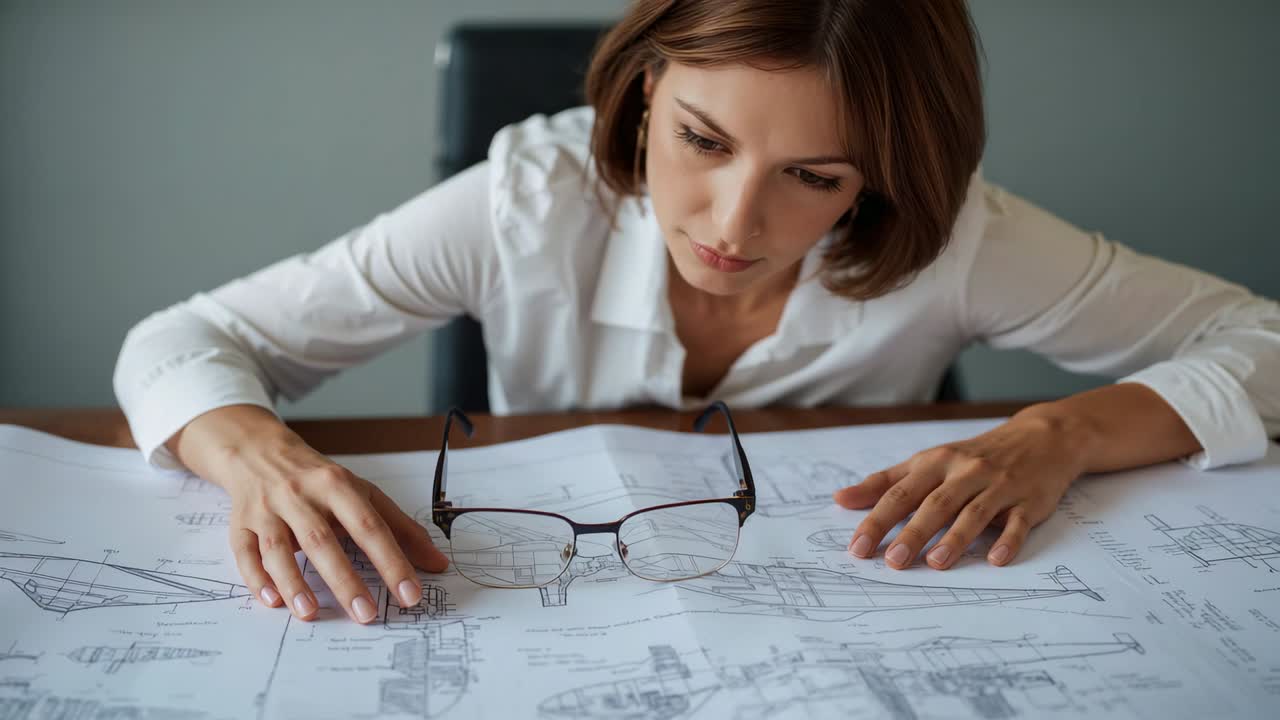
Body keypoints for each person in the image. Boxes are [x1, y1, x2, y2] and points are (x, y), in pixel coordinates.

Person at [114, 0, 1280, 626]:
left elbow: (1264, 344)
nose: (732, 221)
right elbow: (177, 343)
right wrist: (258, 456)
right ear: (644, 88)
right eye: (700, 142)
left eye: (814, 178)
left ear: (879, 177)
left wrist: (1060, 433)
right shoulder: (526, 202)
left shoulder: (961, 235)